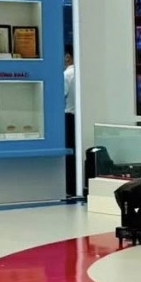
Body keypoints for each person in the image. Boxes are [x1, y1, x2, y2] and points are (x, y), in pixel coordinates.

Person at [63, 47, 76, 198]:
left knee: (69, 154)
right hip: (78, 117)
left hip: (69, 117)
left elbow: (59, 95)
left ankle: (70, 187)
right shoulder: (81, 73)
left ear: (67, 56)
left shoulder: (67, 75)